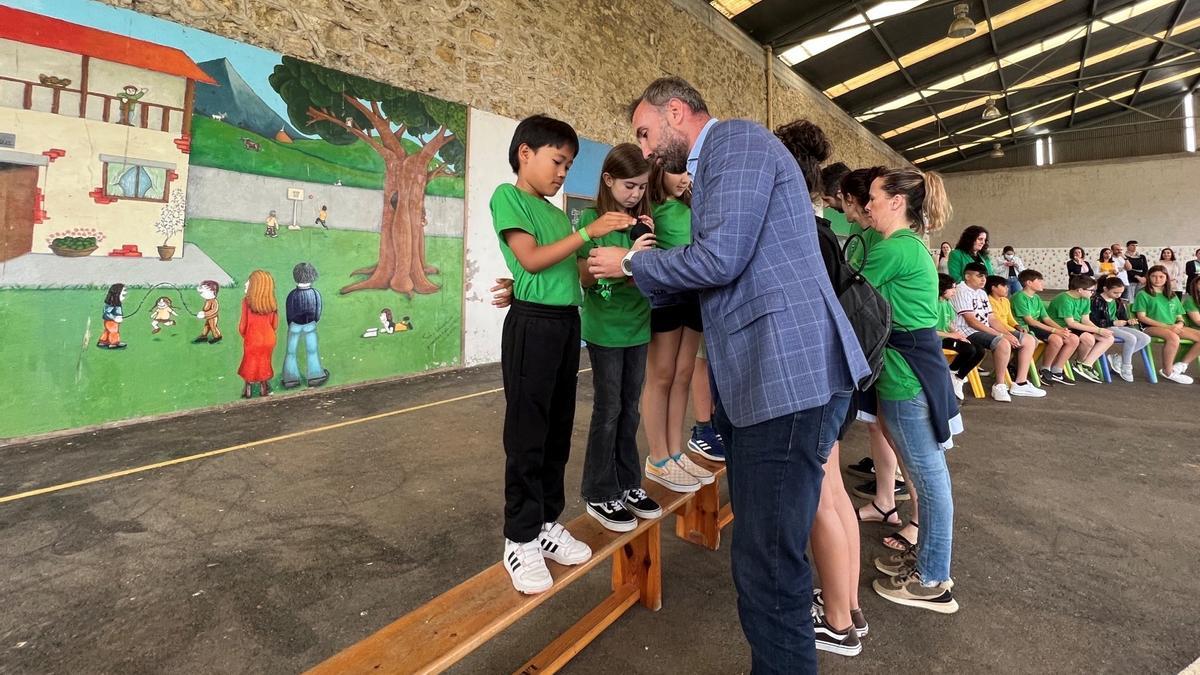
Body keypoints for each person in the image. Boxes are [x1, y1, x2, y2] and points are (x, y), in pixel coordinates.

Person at [588, 76, 868, 673]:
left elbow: (721, 257)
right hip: (769, 379)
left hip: (783, 376)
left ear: (679, 112)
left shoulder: (736, 142)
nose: (643, 146)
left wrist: (633, 260)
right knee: (768, 555)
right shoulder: (720, 161)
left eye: (645, 131)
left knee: (767, 563)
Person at [492, 115, 632, 594]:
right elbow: (530, 259)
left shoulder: (555, 213)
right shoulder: (507, 198)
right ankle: (519, 537)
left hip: (566, 324)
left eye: (569, 166)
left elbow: (569, 273)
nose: (562, 173)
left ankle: (547, 523)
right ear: (525, 153)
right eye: (557, 161)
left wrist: (621, 260)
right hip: (532, 326)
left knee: (556, 432)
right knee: (527, 434)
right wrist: (591, 233)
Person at [776, 118, 866, 656]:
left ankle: (835, 622)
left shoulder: (800, 231)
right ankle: (847, 604)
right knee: (832, 492)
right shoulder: (825, 230)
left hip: (816, 377)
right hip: (841, 376)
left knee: (819, 500)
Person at [857, 167, 962, 614]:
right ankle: (927, 564)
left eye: (875, 198)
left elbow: (844, 290)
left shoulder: (894, 248)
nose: (867, 206)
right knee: (927, 476)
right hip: (914, 368)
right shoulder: (912, 245)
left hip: (905, 376)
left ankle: (932, 579)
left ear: (897, 202)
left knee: (929, 480)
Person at [574, 143, 665, 532]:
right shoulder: (592, 221)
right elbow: (582, 277)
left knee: (630, 408)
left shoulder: (644, 222)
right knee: (608, 409)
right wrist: (622, 262)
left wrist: (643, 254)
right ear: (608, 180)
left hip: (637, 327)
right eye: (629, 185)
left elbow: (654, 275)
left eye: (642, 187)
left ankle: (628, 483)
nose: (635, 194)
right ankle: (598, 490)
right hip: (605, 330)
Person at [639, 157, 717, 493]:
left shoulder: (693, 206)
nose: (684, 179)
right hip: (665, 297)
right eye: (677, 172)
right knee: (661, 375)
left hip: (694, 296)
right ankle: (657, 457)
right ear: (659, 172)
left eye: (688, 172)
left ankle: (674, 450)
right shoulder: (652, 208)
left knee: (684, 373)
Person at [953, 263, 1045, 401]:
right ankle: (999, 386)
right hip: (968, 331)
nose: (983, 279)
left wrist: (1007, 333)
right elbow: (971, 321)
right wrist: (1002, 335)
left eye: (984, 276)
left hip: (985, 328)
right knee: (1002, 343)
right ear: (967, 276)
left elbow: (992, 318)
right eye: (979, 276)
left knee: (1028, 339)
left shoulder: (981, 292)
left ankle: (1020, 383)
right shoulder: (961, 290)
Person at [1132, 265, 1200, 384]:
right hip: (1150, 327)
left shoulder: (1172, 295)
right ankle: (1167, 371)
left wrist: (1179, 324)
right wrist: (1167, 327)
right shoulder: (1142, 294)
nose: (1157, 279)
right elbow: (1141, 317)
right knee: (1173, 337)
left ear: (1166, 278)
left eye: (1161, 276)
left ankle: (1181, 365)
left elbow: (1179, 316)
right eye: (1153, 276)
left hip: (1172, 326)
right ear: (1148, 277)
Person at [1012, 269, 1080, 386]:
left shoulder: (1037, 298)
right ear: (1029, 283)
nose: (1042, 283)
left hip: (1037, 326)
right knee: (1056, 339)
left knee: (1073, 338)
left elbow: (1046, 318)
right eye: (1039, 281)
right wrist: (1055, 331)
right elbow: (1030, 321)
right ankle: (1045, 369)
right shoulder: (1019, 297)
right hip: (1025, 327)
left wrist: (1062, 330)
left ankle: (1057, 370)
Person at [1046, 275, 1113, 383]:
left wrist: (1099, 330)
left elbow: (1085, 320)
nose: (1093, 293)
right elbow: (1070, 323)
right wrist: (1098, 330)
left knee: (1108, 338)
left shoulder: (1085, 298)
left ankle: (1086, 364)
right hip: (1062, 327)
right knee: (1088, 338)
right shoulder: (1064, 299)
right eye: (1091, 290)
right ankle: (1076, 364)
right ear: (1080, 290)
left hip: (1075, 326)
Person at [1090, 276, 1150, 382]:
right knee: (1131, 338)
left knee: (1145, 338)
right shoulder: (1095, 300)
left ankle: (1119, 358)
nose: (1118, 295)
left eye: (1121, 292)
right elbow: (1094, 321)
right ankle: (1126, 366)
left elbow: (1124, 318)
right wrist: (1113, 322)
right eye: (1115, 292)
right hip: (1104, 327)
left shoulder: (1118, 301)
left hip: (1116, 326)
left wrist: (1128, 322)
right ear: (1105, 289)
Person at [937, 273, 984, 399]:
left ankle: (958, 377)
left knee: (979, 350)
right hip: (937, 339)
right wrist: (951, 334)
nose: (954, 291)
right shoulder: (933, 304)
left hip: (948, 336)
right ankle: (952, 373)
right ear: (941, 288)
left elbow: (950, 323)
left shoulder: (947, 303)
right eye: (952, 288)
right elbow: (930, 330)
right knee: (968, 350)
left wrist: (960, 335)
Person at [281, 262, 329, 388]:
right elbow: (318, 311)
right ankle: (315, 375)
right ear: (312, 276)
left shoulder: (292, 295)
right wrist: (314, 321)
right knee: (312, 350)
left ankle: (290, 378)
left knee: (291, 351)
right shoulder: (315, 294)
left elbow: (289, 312)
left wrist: (291, 324)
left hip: (294, 325)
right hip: (310, 324)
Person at [237, 270, 278, 398]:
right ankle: (263, 388)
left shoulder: (246, 303)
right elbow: (274, 324)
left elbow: (243, 325)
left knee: (250, 362)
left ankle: (248, 389)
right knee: (264, 361)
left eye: (248, 283)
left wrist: (246, 335)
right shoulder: (272, 303)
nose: (245, 285)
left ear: (255, 286)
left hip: (253, 338)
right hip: (269, 338)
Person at [98, 283, 128, 350]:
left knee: (107, 331)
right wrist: (114, 318)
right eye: (123, 295)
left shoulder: (116, 304)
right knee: (114, 331)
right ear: (116, 294)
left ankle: (103, 341)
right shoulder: (111, 305)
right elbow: (106, 313)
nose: (124, 297)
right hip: (111, 321)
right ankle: (114, 343)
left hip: (112, 321)